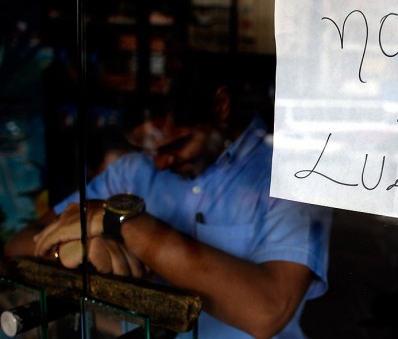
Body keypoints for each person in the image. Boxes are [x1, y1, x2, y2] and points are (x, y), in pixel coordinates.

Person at [3, 63, 333, 339]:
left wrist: (121, 224)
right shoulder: (132, 173)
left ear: (221, 106)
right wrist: (83, 248)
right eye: (149, 150)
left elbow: (267, 311)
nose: (160, 163)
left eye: (176, 145)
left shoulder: (293, 176)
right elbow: (19, 246)